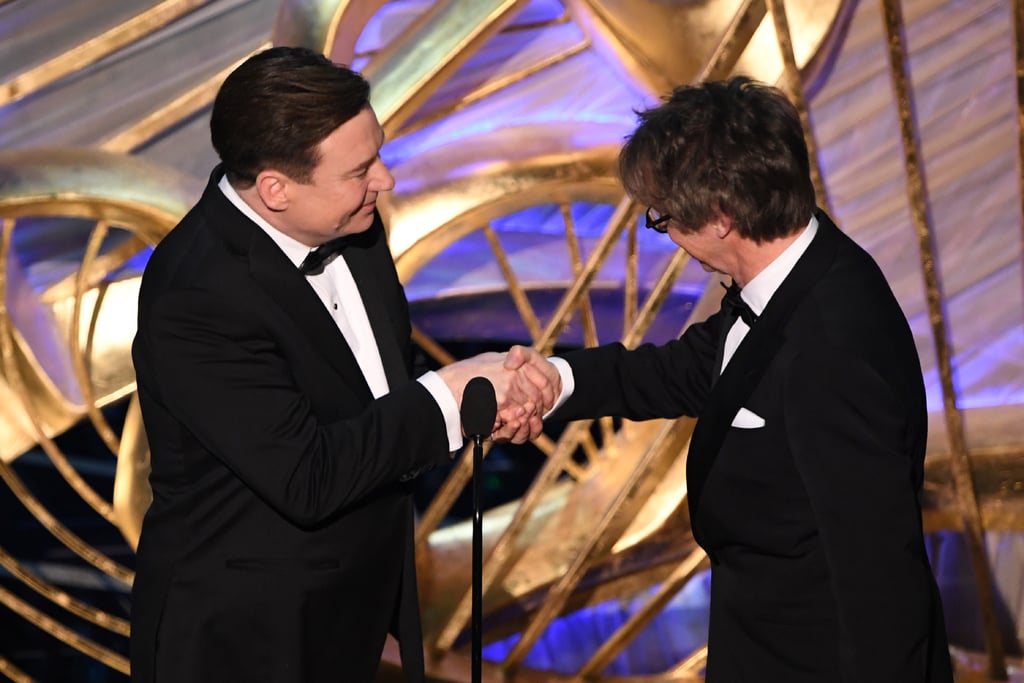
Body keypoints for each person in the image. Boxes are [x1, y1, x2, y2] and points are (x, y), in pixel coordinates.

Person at [506, 76, 954, 681]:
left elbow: (877, 572)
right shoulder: (795, 265)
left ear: (719, 217)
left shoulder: (833, 347)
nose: (666, 235)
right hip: (760, 636)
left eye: (662, 219)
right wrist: (555, 380)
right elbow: (689, 369)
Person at [129, 46, 552, 683]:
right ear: (275, 189)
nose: (384, 180)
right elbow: (307, 477)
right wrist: (444, 398)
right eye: (361, 170)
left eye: (378, 154)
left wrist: (474, 404)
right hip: (247, 643)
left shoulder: (353, 223)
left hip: (354, 618)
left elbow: (369, 399)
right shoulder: (197, 295)